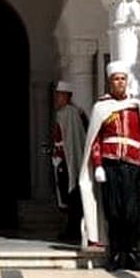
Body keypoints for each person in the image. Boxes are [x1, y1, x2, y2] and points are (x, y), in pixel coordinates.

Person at [80, 60, 140, 271]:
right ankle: (115, 253)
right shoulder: (101, 107)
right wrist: (97, 164)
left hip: (132, 166)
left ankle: (133, 253)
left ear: (127, 81)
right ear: (110, 82)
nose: (120, 82)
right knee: (114, 211)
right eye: (116, 79)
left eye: (123, 79)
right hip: (110, 165)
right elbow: (95, 139)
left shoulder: (136, 107)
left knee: (132, 212)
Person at [51, 80, 87, 243]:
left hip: (69, 160)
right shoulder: (64, 113)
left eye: (60, 95)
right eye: (56, 95)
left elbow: (71, 140)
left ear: (66, 96)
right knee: (67, 195)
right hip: (63, 159)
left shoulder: (70, 113)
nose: (57, 99)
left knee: (73, 197)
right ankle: (70, 230)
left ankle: (74, 232)